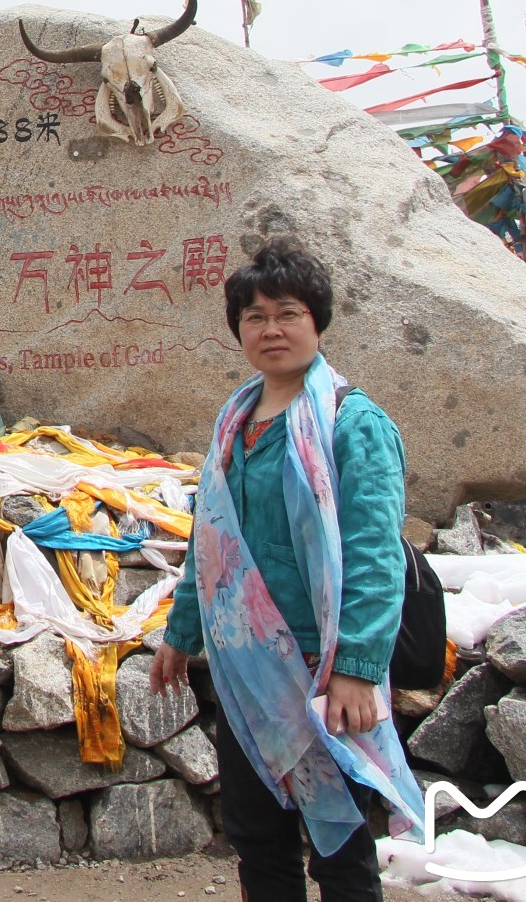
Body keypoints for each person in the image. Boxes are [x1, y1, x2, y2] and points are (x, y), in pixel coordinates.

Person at [151, 238, 422, 902]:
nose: (270, 329)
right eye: (254, 316)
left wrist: (357, 668)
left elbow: (374, 553)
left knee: (338, 843)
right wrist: (182, 631)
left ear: (317, 320)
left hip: (319, 669)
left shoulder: (351, 422)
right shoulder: (233, 422)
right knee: (258, 837)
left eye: (287, 313)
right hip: (246, 669)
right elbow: (213, 546)